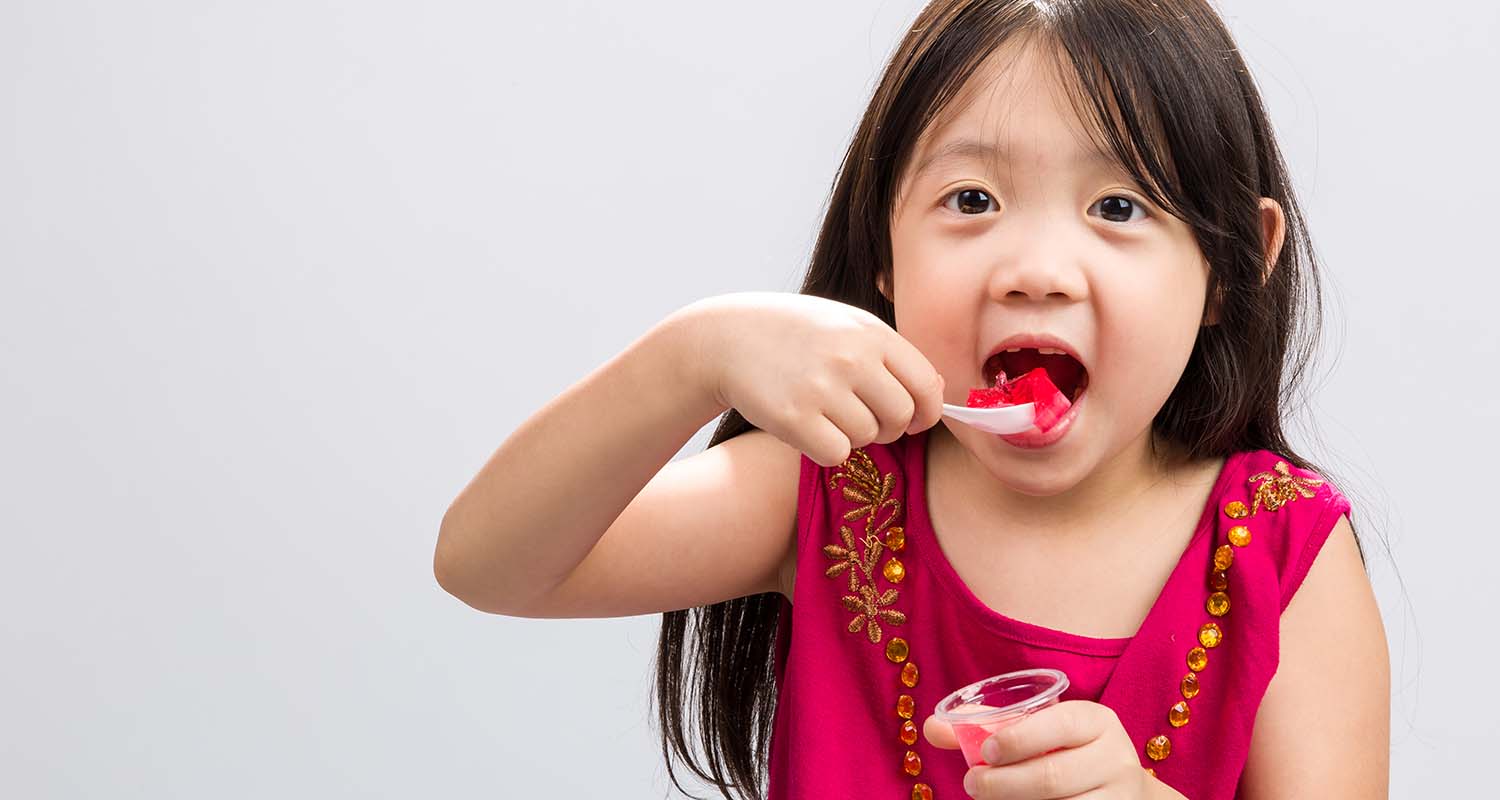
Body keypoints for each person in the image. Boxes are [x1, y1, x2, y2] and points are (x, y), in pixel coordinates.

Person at [433, 1, 1389, 797]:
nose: (1036, 271)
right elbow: (490, 565)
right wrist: (695, 354)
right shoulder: (833, 490)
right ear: (883, 254)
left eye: (1118, 207)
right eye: (972, 200)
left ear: (1233, 267)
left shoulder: (1282, 552)